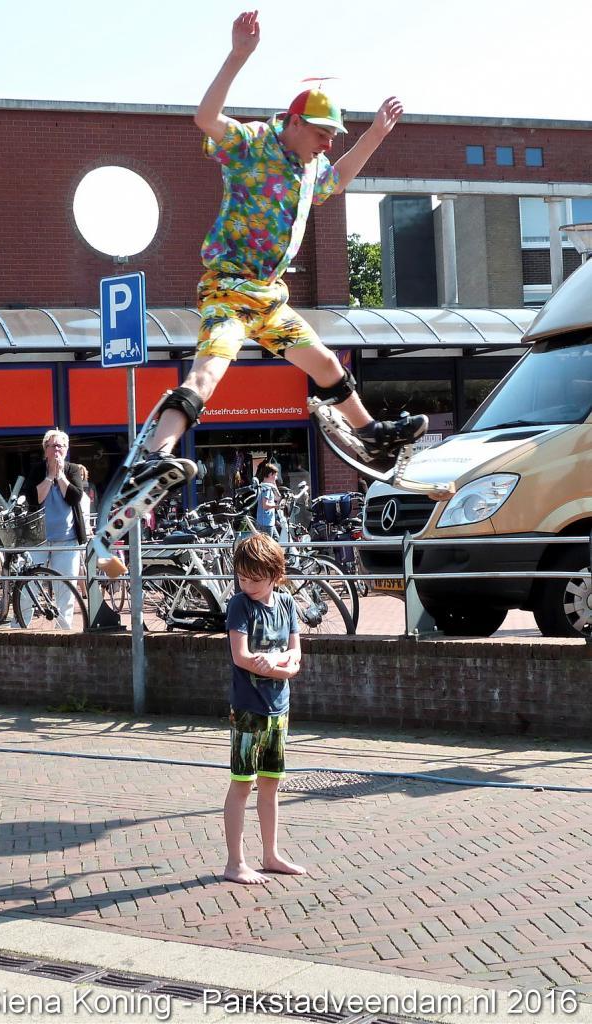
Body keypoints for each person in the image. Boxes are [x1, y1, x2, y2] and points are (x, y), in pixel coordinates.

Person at [125, 10, 427, 512]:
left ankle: (370, 433)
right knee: (208, 373)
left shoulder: (312, 167)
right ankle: (155, 458)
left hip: (269, 300)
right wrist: (238, 55)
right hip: (228, 289)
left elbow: (338, 180)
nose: (327, 144)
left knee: (325, 363)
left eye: (332, 137)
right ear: (293, 122)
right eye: (321, 134)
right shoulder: (253, 144)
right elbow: (206, 118)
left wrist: (376, 133)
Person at [224, 533, 304, 884]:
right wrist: (280, 667)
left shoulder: (286, 603)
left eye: (255, 579)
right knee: (243, 784)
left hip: (278, 708)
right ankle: (235, 863)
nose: (248, 586)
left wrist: (280, 664)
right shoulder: (239, 606)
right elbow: (241, 656)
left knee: (271, 784)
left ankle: (270, 855)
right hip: (248, 711)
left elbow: (296, 653)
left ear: (275, 574)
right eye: (242, 578)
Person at [22, 429, 86, 627]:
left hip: (67, 539)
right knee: (29, 584)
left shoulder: (73, 469)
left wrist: (61, 476)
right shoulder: (37, 470)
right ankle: (20, 624)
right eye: (53, 446)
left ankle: (63, 630)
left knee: (65, 586)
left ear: (66, 449)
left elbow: (75, 497)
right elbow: (34, 498)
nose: (58, 449)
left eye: (61, 446)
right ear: (45, 449)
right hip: (38, 538)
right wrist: (50, 477)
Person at [255, 462, 280, 539]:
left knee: (278, 540)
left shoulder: (265, 486)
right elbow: (265, 505)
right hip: (266, 523)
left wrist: (274, 484)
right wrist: (276, 506)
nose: (276, 478)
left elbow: (278, 497)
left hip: (268, 521)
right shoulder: (266, 488)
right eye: (275, 475)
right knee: (268, 543)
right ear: (270, 474)